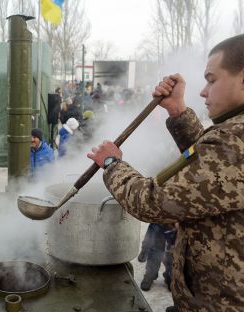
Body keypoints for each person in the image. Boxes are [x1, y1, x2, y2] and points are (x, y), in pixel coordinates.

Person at [87, 34, 244, 311]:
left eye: (212, 79)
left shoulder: (235, 140)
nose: (203, 91)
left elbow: (152, 203)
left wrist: (112, 165)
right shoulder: (232, 136)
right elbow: (209, 166)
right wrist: (178, 111)